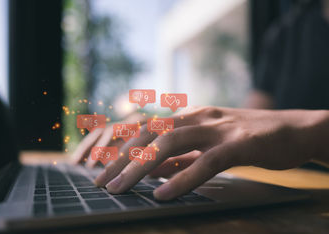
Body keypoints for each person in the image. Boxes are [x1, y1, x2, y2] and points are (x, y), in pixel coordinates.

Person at [72, 0, 329, 200]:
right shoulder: (289, 31)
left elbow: (277, 127)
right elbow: (252, 126)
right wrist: (179, 140)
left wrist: (312, 132)